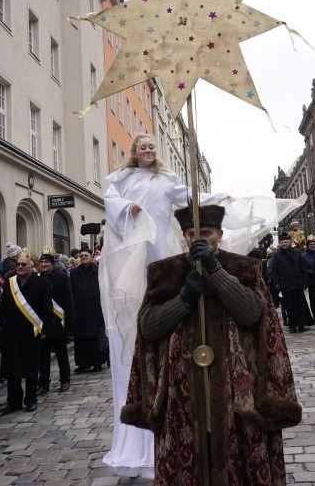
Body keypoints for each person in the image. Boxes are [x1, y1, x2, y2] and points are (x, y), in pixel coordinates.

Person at [122, 205, 302, 485]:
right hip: (181, 390)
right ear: (184, 236)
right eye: (192, 233)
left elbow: (252, 313)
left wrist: (217, 272)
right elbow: (148, 326)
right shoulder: (165, 271)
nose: (199, 238)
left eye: (205, 232)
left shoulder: (243, 267)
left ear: (219, 233)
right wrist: (184, 299)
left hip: (234, 388)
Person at [100, 133, 227, 476]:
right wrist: (128, 208)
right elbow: (110, 200)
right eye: (143, 147)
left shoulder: (166, 179)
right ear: (134, 152)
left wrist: (217, 197)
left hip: (159, 247)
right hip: (132, 247)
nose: (148, 151)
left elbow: (189, 197)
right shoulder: (122, 179)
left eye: (152, 147)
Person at [0, 251, 54, 415]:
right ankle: (13, 402)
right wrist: (2, 326)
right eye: (18, 264)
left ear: (32, 267)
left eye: (23, 265)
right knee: (11, 368)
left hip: (31, 331)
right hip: (11, 332)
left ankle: (30, 399)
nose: (20, 267)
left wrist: (45, 329)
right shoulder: (9, 283)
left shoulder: (41, 283)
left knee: (30, 368)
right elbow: (3, 307)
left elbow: (47, 308)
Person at [36, 252, 74, 395]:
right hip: (43, 323)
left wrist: (70, 323)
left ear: (52, 263)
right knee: (43, 356)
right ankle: (43, 383)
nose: (44, 265)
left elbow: (68, 300)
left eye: (46, 262)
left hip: (58, 322)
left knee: (61, 354)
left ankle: (65, 379)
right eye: (42, 262)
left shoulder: (61, 277)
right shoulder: (37, 279)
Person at [70, 248, 108, 373]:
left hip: (95, 308)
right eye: (81, 256)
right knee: (81, 338)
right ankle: (82, 363)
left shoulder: (98, 272)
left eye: (86, 255)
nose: (84, 257)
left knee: (95, 336)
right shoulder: (75, 273)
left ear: (92, 257)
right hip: (79, 309)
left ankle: (97, 362)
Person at [269, 232, 311, 333]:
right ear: (280, 243)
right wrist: (276, 284)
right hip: (285, 284)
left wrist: (305, 280)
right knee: (289, 306)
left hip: (297, 282)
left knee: (299, 305)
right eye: (282, 242)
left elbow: (302, 267)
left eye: (286, 242)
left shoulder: (296, 253)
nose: (284, 244)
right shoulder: (276, 255)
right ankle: (292, 325)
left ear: (289, 242)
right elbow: (273, 271)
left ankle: (301, 324)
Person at [302, 239, 315, 326]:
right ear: (307, 246)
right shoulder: (304, 256)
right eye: (310, 244)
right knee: (313, 300)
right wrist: (313, 272)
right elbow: (304, 268)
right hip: (311, 280)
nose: (312, 245)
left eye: (314, 244)